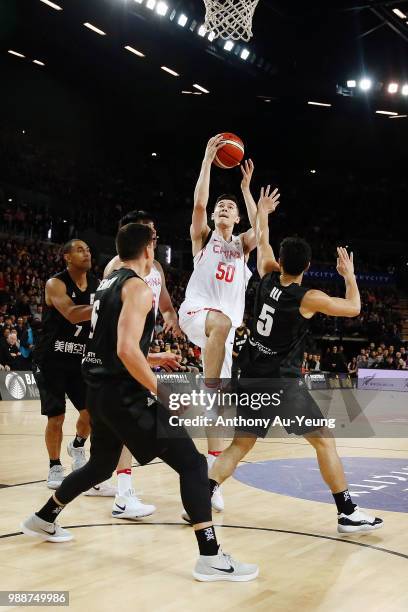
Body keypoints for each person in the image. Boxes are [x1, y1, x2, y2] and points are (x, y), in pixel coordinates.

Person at [21, 223, 258, 583]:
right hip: (123, 394)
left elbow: (111, 343)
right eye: (154, 244)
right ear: (148, 250)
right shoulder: (137, 288)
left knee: (101, 466)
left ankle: (43, 517)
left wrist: (154, 357)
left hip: (98, 390)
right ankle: (210, 557)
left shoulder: (106, 284)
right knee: (193, 465)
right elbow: (124, 349)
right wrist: (162, 393)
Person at [207, 186, 383, 534]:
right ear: (307, 267)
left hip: (251, 370)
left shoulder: (266, 274)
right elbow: (354, 308)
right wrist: (349, 277)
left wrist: (263, 212)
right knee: (324, 440)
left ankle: (201, 495)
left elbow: (265, 242)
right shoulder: (308, 297)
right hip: (281, 381)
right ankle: (346, 512)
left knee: (241, 443)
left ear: (282, 261)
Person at [178, 136, 259, 512]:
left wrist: (245, 189)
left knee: (217, 415)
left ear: (236, 217)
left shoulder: (241, 247)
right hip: (197, 313)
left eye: (230, 207)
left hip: (221, 335)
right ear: (213, 216)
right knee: (222, 325)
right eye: (220, 206)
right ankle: (207, 389)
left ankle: (211, 479)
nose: (223, 209)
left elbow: (260, 230)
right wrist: (208, 161)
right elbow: (198, 202)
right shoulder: (204, 239)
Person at [101, 210, 181, 518]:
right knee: (128, 428)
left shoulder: (156, 268)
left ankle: (95, 484)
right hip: (121, 354)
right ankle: (123, 495)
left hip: (135, 349)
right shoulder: (117, 268)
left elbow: (166, 305)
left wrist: (173, 319)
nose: (154, 241)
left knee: (111, 433)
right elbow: (109, 320)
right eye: (150, 235)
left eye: (155, 235)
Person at [32, 240, 99, 489]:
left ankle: (77, 446)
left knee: (90, 413)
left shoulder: (96, 285)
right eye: (80, 249)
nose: (87, 252)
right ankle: (54, 465)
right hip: (50, 359)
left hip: (78, 358)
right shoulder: (55, 283)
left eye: (88, 249)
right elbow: (71, 313)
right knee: (56, 416)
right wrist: (107, 306)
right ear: (67, 257)